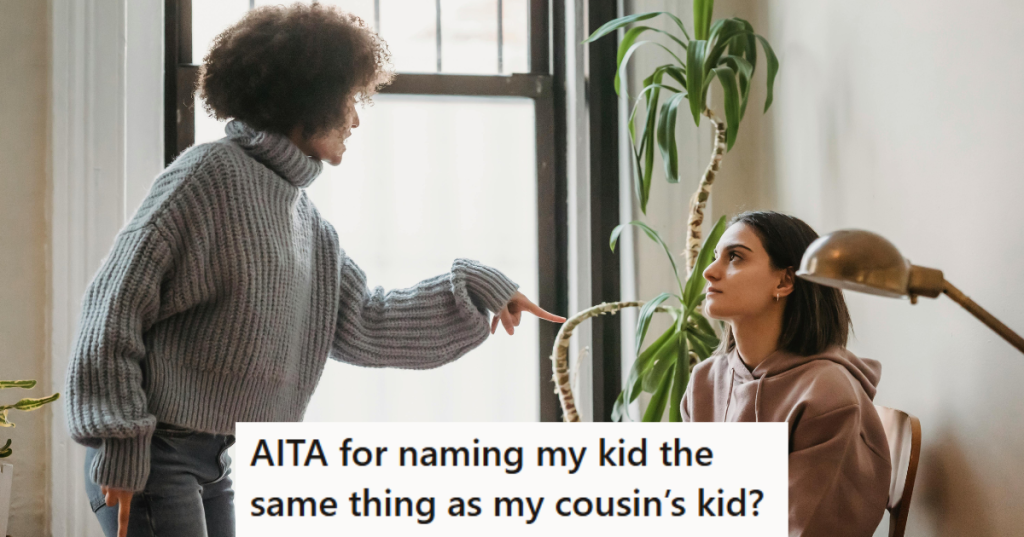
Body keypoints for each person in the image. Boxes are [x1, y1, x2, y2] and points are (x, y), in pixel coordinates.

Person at [64, 4, 565, 537]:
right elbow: (111, 312)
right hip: (153, 456)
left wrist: (477, 287)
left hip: (215, 459)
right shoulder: (206, 176)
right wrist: (119, 445)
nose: (354, 120)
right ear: (307, 100)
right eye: (349, 102)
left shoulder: (306, 222)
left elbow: (367, 321)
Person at [680, 211, 891, 536]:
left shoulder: (827, 395)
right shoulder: (705, 382)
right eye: (714, 257)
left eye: (734, 257)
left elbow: (806, 528)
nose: (709, 272)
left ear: (784, 281)